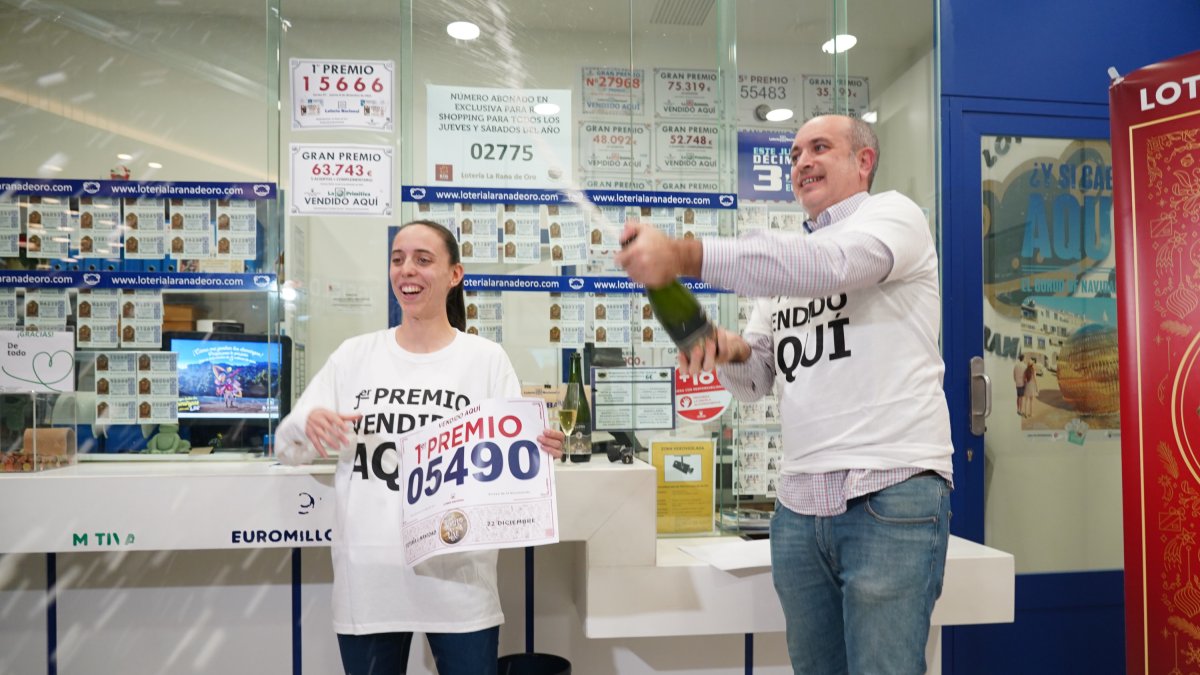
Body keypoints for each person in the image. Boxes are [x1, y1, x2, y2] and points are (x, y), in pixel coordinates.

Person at [617, 114, 953, 675]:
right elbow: (755, 381)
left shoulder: (892, 216)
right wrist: (720, 347)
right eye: (794, 154)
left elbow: (835, 265)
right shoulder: (790, 266)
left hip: (890, 489)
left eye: (819, 148)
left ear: (863, 162)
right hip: (799, 505)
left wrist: (686, 255)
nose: (801, 163)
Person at [275, 219, 565, 675]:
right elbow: (288, 449)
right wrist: (308, 424)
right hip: (370, 581)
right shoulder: (355, 357)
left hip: (459, 582)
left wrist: (544, 449)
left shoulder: (485, 361)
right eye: (398, 259)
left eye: (423, 259)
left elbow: (516, 470)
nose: (406, 269)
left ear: (455, 275)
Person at [1013, 353, 1028, 417]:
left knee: (1018, 397)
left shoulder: (1016, 365)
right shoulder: (1024, 366)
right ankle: (1020, 410)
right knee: (1021, 398)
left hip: (1017, 383)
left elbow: (1013, 374)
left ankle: (1017, 409)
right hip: (1022, 383)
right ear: (1023, 358)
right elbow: (1025, 376)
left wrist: (1016, 380)